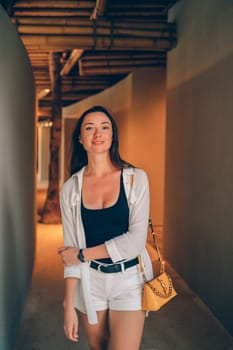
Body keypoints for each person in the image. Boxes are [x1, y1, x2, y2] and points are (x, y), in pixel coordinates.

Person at [58, 105, 153, 350]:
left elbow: (134, 243)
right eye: (89, 128)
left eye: (104, 127)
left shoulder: (135, 179)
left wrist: (82, 254)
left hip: (130, 279)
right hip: (90, 283)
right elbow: (70, 252)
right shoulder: (70, 189)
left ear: (112, 136)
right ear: (80, 138)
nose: (98, 133)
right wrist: (68, 305)